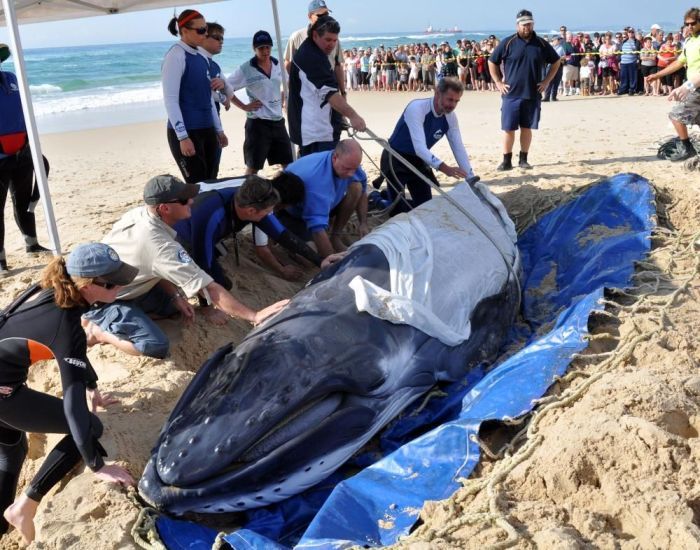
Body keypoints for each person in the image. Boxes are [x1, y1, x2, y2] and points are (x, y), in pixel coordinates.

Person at [0, 243, 137, 544]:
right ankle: (26, 505)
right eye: (112, 283)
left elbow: (71, 356)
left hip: (4, 384)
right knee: (90, 427)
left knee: (13, 451)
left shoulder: (48, 290)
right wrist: (98, 466)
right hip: (5, 395)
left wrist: (92, 385)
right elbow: (75, 408)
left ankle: (2, 526)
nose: (119, 287)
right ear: (88, 285)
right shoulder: (65, 324)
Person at [82, 175, 289, 359]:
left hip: (127, 282)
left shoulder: (141, 214)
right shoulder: (161, 246)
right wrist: (254, 315)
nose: (191, 201)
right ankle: (99, 331)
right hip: (106, 298)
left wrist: (174, 295)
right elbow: (208, 287)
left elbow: (152, 265)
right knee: (155, 345)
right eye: (184, 200)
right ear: (164, 208)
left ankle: (139, 311)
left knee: (178, 309)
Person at [173, 174, 321, 285]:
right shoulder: (210, 214)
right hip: (181, 235)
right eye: (268, 212)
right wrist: (211, 302)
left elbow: (282, 235)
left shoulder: (254, 196)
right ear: (251, 211)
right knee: (221, 282)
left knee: (219, 260)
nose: (270, 216)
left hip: (209, 223)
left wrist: (320, 261)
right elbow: (204, 262)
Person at [377, 77, 478, 216]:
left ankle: (387, 195)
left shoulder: (450, 117)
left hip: (418, 162)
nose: (453, 105)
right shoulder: (417, 108)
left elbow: (458, 146)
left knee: (426, 209)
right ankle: (377, 199)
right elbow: (420, 148)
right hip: (396, 158)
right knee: (397, 212)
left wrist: (470, 177)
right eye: (450, 99)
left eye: (456, 101)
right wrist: (444, 168)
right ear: (437, 93)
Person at [488, 9, 561, 171]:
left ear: (533, 24)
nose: (526, 27)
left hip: (532, 93)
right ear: (517, 25)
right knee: (508, 128)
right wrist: (498, 82)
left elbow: (556, 62)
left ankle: (523, 159)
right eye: (523, 24)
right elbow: (492, 61)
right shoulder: (508, 43)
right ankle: (506, 161)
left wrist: (546, 81)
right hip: (510, 94)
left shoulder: (541, 44)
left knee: (527, 128)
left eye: (529, 24)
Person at [0, 44, 50, 277]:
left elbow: (23, 112)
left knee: (24, 201)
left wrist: (30, 143)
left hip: (21, 151)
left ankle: (31, 243)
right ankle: (0, 259)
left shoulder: (10, 78)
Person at [162, 10, 227, 183]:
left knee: (211, 181)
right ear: (184, 31)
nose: (205, 34)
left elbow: (208, 98)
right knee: (197, 185)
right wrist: (183, 137)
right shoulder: (175, 56)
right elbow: (170, 100)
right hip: (187, 131)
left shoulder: (201, 57)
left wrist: (218, 130)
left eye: (205, 29)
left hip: (207, 129)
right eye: (200, 30)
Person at [288, 15, 366, 156]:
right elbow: (330, 94)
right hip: (315, 133)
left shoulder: (315, 51)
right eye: (328, 40)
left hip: (318, 128)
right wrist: (353, 115)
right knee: (321, 172)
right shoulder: (311, 57)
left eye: (335, 40)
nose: (332, 44)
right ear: (315, 35)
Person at [279, 140, 367, 258]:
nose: (351, 173)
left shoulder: (350, 164)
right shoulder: (316, 181)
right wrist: (331, 259)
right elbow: (317, 227)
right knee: (310, 255)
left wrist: (363, 223)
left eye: (355, 168)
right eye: (347, 168)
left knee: (356, 186)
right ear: (335, 158)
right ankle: (289, 244)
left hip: (324, 204)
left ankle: (335, 236)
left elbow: (363, 191)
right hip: (292, 214)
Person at [225, 30, 294, 175]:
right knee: (253, 167)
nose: (265, 51)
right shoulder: (246, 69)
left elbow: (287, 82)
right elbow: (225, 87)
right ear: (254, 49)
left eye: (268, 47)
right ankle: (247, 196)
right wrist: (243, 106)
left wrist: (282, 98)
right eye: (261, 48)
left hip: (278, 121)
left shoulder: (278, 64)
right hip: (257, 124)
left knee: (288, 164)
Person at [284, 0, 346, 143]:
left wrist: (343, 92)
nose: (323, 18)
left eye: (325, 14)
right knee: (309, 135)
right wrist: (301, 84)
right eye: (319, 15)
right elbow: (288, 63)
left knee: (333, 132)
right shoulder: (297, 36)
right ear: (310, 16)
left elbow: (337, 65)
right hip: (308, 95)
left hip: (330, 88)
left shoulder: (333, 37)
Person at [646, 8, 700, 161]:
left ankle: (687, 148)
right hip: (693, 87)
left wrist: (687, 86)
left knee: (676, 116)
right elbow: (679, 62)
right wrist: (657, 74)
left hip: (696, 88)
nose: (689, 27)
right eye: (686, 24)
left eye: (693, 24)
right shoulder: (689, 41)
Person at [198, 22, 229, 178]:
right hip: (200, 126)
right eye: (217, 38)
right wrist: (220, 131)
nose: (221, 41)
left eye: (222, 38)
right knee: (203, 177)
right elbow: (208, 99)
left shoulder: (213, 64)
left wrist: (223, 89)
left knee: (212, 173)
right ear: (203, 37)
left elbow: (228, 91)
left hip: (212, 123)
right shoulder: (198, 62)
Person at [618, 28, 641, 96]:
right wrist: (619, 61)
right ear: (627, 33)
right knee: (623, 77)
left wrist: (638, 59)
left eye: (632, 32)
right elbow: (620, 51)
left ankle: (632, 90)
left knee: (632, 77)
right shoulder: (624, 41)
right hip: (623, 62)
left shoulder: (636, 42)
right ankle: (623, 89)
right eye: (629, 32)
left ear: (634, 33)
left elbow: (639, 51)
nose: (630, 33)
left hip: (632, 61)